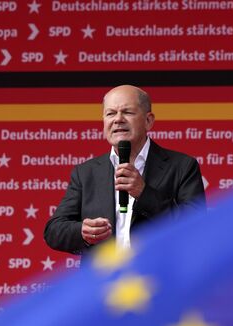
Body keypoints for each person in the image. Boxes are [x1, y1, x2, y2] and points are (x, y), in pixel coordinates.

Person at [44, 85, 206, 255]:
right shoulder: (86, 173)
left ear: (148, 121)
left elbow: (196, 227)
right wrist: (82, 232)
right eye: (110, 113)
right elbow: (54, 231)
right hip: (104, 278)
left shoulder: (182, 166)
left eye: (127, 112)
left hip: (157, 277)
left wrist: (144, 193)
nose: (118, 119)